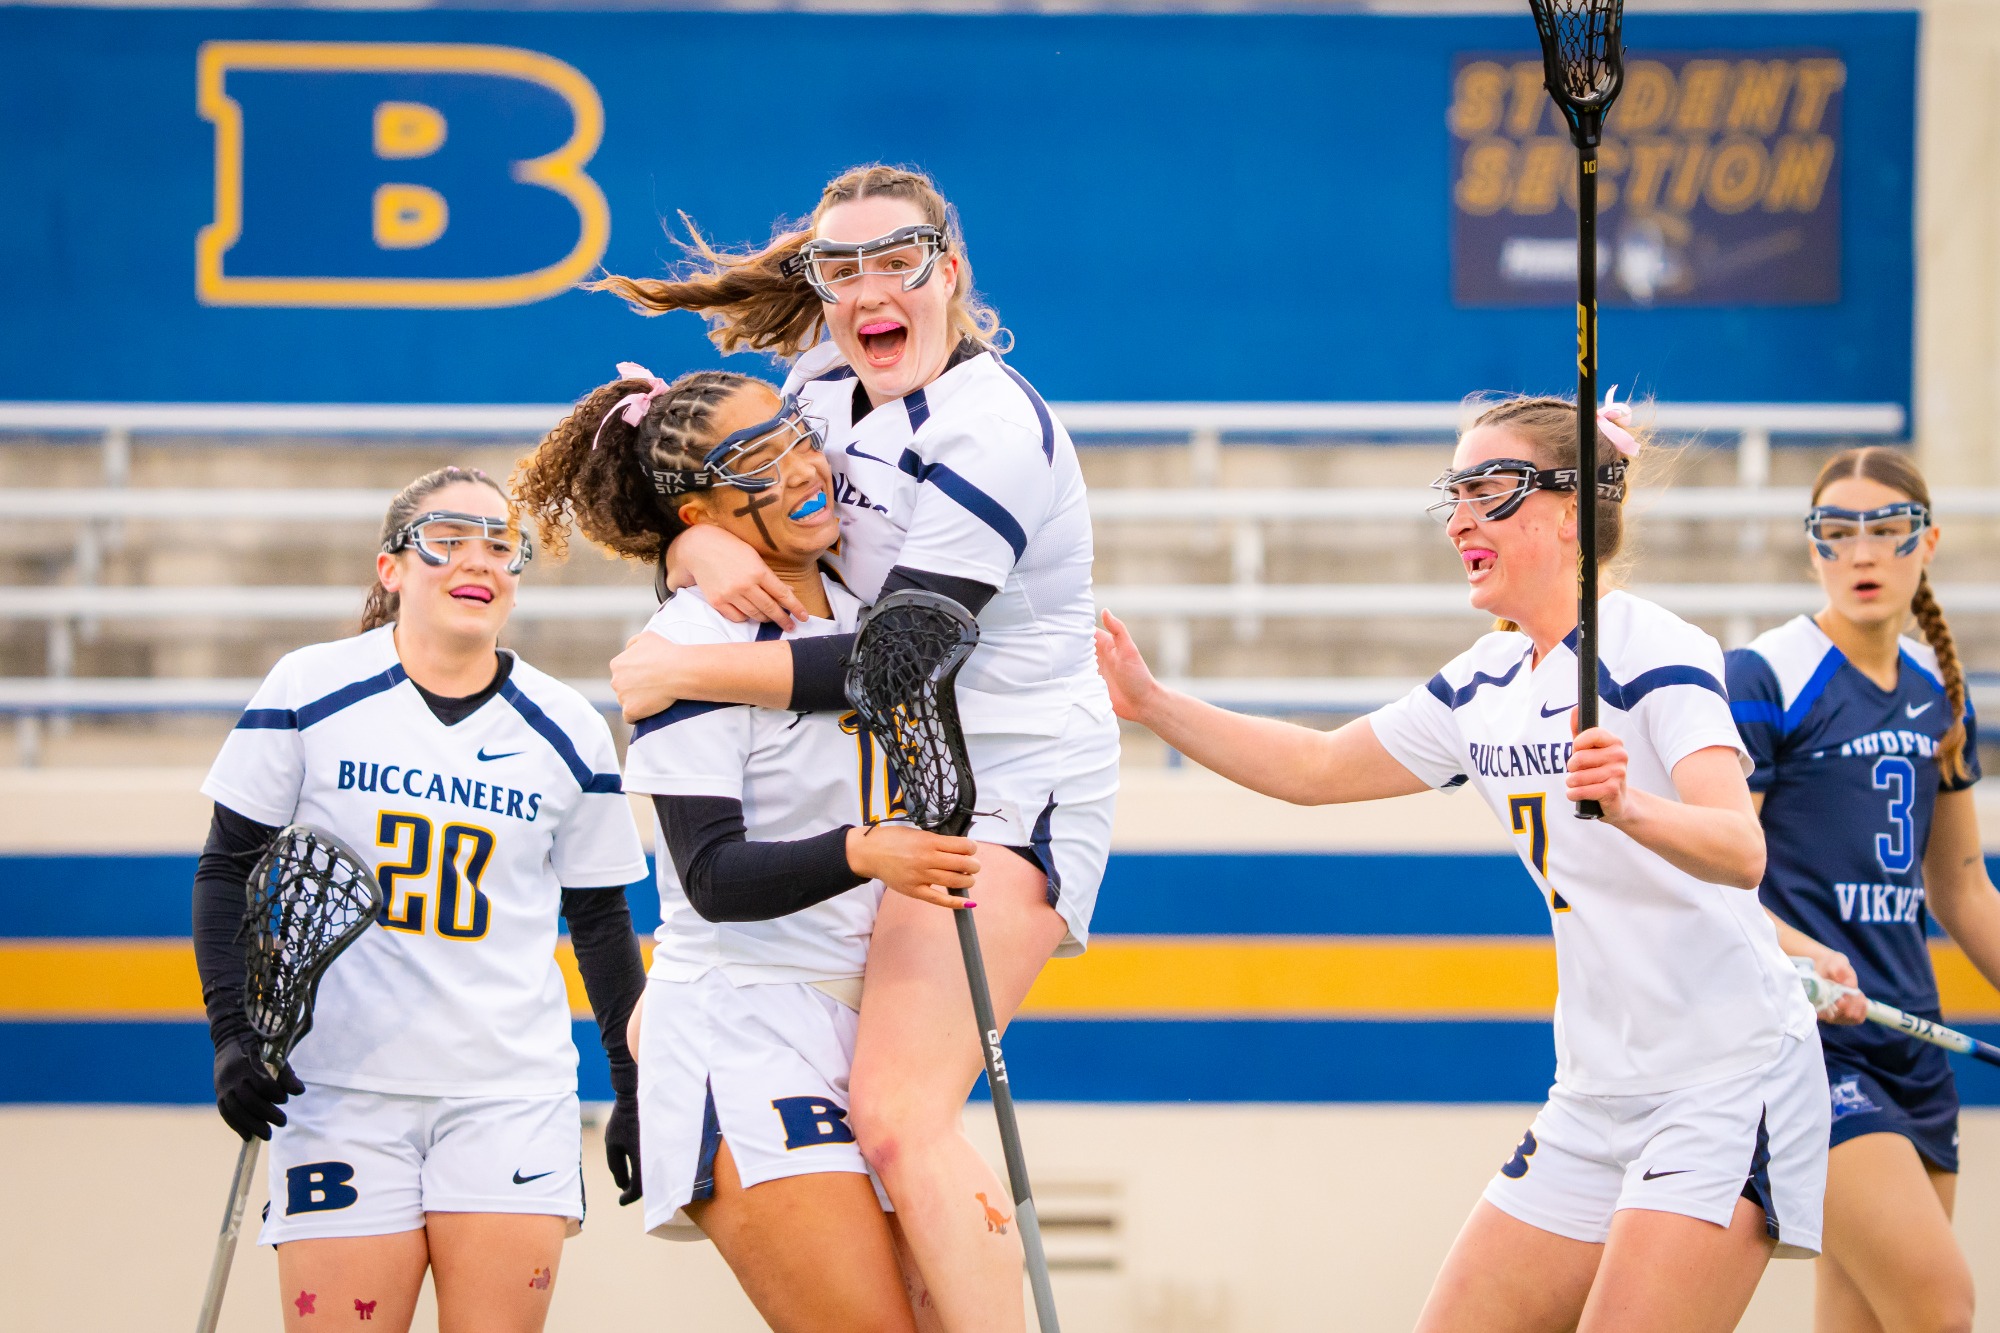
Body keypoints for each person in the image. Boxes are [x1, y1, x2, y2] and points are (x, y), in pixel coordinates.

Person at [1096, 394, 1828, 1333]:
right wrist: (1153, 703)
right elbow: (1316, 768)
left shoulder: (1655, 650)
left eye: (1492, 491)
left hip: (1724, 1079)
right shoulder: (1482, 684)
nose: (1459, 521)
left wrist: (1632, 806)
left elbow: (1740, 847)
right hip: (1594, 1090)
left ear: (1569, 511)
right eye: (1456, 493)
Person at [590, 164, 1119, 1330]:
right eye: (841, 268)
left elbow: (893, 662)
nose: (870, 288)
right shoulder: (819, 389)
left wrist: (683, 667)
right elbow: (750, 502)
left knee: (899, 1113)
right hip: (906, 800)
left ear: (951, 270)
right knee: (895, 1142)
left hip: (1014, 786)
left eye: (898, 260)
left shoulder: (993, 431)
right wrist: (692, 551)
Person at [513, 363, 984, 1331]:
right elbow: (710, 877)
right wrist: (862, 852)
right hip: (744, 1023)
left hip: (875, 1029)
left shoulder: (863, 600)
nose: (803, 466)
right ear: (703, 510)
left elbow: (886, 658)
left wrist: (691, 546)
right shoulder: (687, 643)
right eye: (756, 462)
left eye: (797, 434)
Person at [191, 466, 649, 1333]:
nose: (478, 559)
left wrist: (632, 1087)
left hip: (509, 1097)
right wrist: (231, 1035)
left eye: (501, 544)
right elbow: (227, 868)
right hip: (337, 1093)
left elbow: (601, 921)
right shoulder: (307, 688)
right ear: (391, 567)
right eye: (447, 538)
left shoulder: (569, 729)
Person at [1727, 446, 2000, 1332]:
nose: (1863, 553)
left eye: (1888, 529)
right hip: (1813, 1044)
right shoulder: (1766, 675)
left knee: (1869, 1324)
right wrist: (1801, 954)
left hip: (1914, 1042)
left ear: (1928, 543)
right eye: (1836, 532)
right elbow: (1715, 881)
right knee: (1941, 1305)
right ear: (1812, 547)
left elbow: (1964, 886)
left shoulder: (1940, 693)